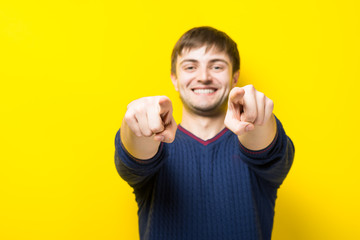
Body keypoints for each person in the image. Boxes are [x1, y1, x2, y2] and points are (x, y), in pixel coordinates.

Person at [114, 26, 295, 240]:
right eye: (190, 67)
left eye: (217, 67)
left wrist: (259, 118)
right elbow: (134, 155)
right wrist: (135, 124)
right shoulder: (157, 144)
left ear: (235, 78)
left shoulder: (252, 139)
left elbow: (269, 152)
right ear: (174, 79)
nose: (204, 77)